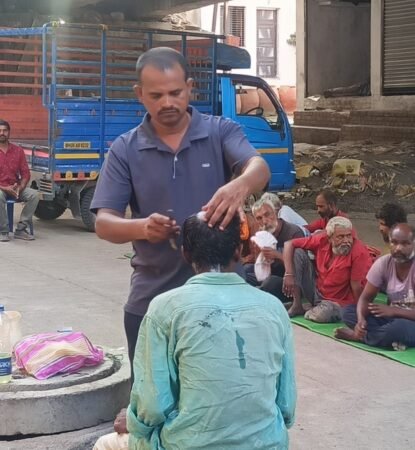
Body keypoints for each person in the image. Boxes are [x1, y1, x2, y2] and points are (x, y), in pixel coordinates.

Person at [90, 47, 270, 380]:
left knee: (223, 390)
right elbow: (104, 223)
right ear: (139, 94)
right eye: (156, 95)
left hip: (223, 297)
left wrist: (241, 184)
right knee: (152, 392)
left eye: (175, 92)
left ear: (190, 88)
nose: (167, 103)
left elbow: (259, 167)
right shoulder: (125, 149)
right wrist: (142, 228)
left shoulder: (220, 131)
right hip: (152, 295)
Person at [92, 212, 294, 450]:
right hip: (269, 444)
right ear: (239, 252)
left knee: (105, 444)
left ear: (185, 254)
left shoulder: (165, 309)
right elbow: (286, 407)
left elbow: (152, 408)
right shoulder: (274, 308)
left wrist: (133, 421)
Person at [335, 223, 415, 349]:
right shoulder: (383, 263)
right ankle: (386, 338)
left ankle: (361, 337)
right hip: (391, 318)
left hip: (408, 322)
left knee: (397, 328)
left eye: (405, 244)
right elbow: (365, 298)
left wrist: (394, 311)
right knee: (348, 312)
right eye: (394, 242)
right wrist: (361, 320)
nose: (398, 248)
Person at [281, 216, 372, 320]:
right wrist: (289, 274)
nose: (346, 241)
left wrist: (360, 312)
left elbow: (356, 286)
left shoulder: (358, 252)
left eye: (348, 236)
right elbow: (289, 244)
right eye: (340, 237)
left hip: (338, 302)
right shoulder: (322, 239)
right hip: (317, 291)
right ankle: (297, 304)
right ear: (329, 238)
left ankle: (310, 308)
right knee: (297, 253)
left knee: (323, 313)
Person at [245, 192, 304, 286]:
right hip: (269, 273)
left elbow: (301, 267)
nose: (264, 221)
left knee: (269, 282)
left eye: (267, 214)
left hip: (290, 279)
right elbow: (259, 264)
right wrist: (259, 254)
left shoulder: (293, 232)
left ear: (276, 213)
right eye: (259, 218)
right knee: (244, 271)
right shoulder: (262, 235)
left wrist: (277, 255)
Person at [0, 119, 39, 242]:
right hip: (1, 188)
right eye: (0, 131)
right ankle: (3, 231)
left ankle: (21, 229)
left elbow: (25, 172)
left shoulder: (18, 151)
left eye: (5, 130)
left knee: (34, 195)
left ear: (9, 132)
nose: (2, 133)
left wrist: (20, 187)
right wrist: (4, 188)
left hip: (15, 187)